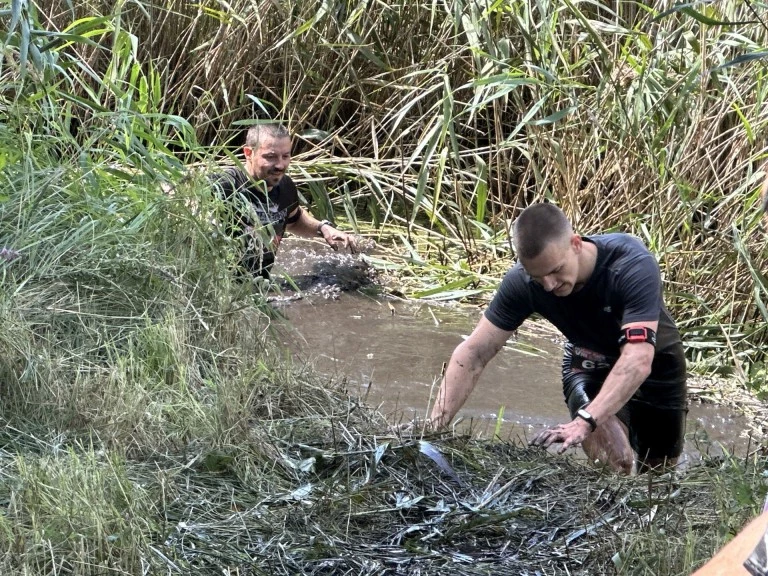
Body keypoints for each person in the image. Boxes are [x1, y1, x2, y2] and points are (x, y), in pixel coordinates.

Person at [428, 203, 688, 474]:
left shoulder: (630, 264)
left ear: (575, 244)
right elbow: (474, 353)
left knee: (657, 480)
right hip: (590, 363)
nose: (549, 286)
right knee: (617, 462)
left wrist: (584, 421)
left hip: (658, 366)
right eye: (538, 278)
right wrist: (434, 426)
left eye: (556, 270)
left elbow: (637, 359)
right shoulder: (522, 283)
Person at [210, 122, 357, 279]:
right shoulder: (223, 186)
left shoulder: (285, 187)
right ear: (248, 153)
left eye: (285, 156)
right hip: (221, 288)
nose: (280, 165)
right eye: (271, 157)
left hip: (260, 286)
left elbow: (293, 219)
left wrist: (322, 228)